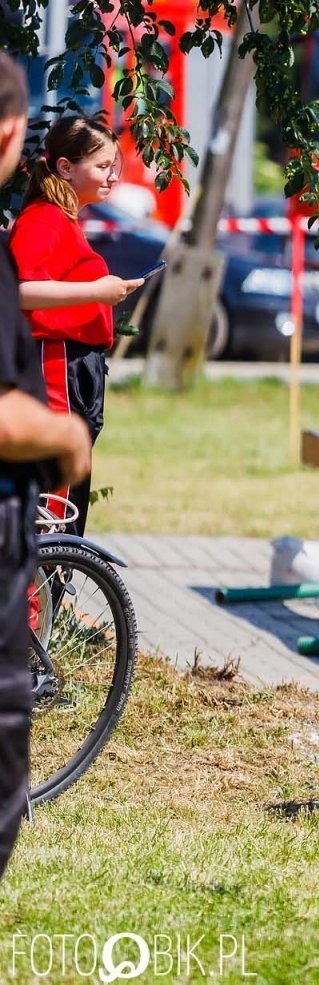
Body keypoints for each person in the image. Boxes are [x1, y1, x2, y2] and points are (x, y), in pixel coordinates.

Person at [0, 50, 93, 885]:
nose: (110, 174)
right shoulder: (34, 226)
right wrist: (62, 434)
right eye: (98, 161)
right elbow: (31, 294)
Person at [8, 115, 143, 536]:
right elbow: (21, 291)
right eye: (103, 166)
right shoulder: (44, 218)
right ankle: (34, 599)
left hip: (76, 362)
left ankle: (53, 594)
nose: (112, 177)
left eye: (114, 168)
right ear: (65, 167)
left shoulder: (64, 219)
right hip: (55, 358)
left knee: (69, 490)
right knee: (55, 490)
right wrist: (96, 292)